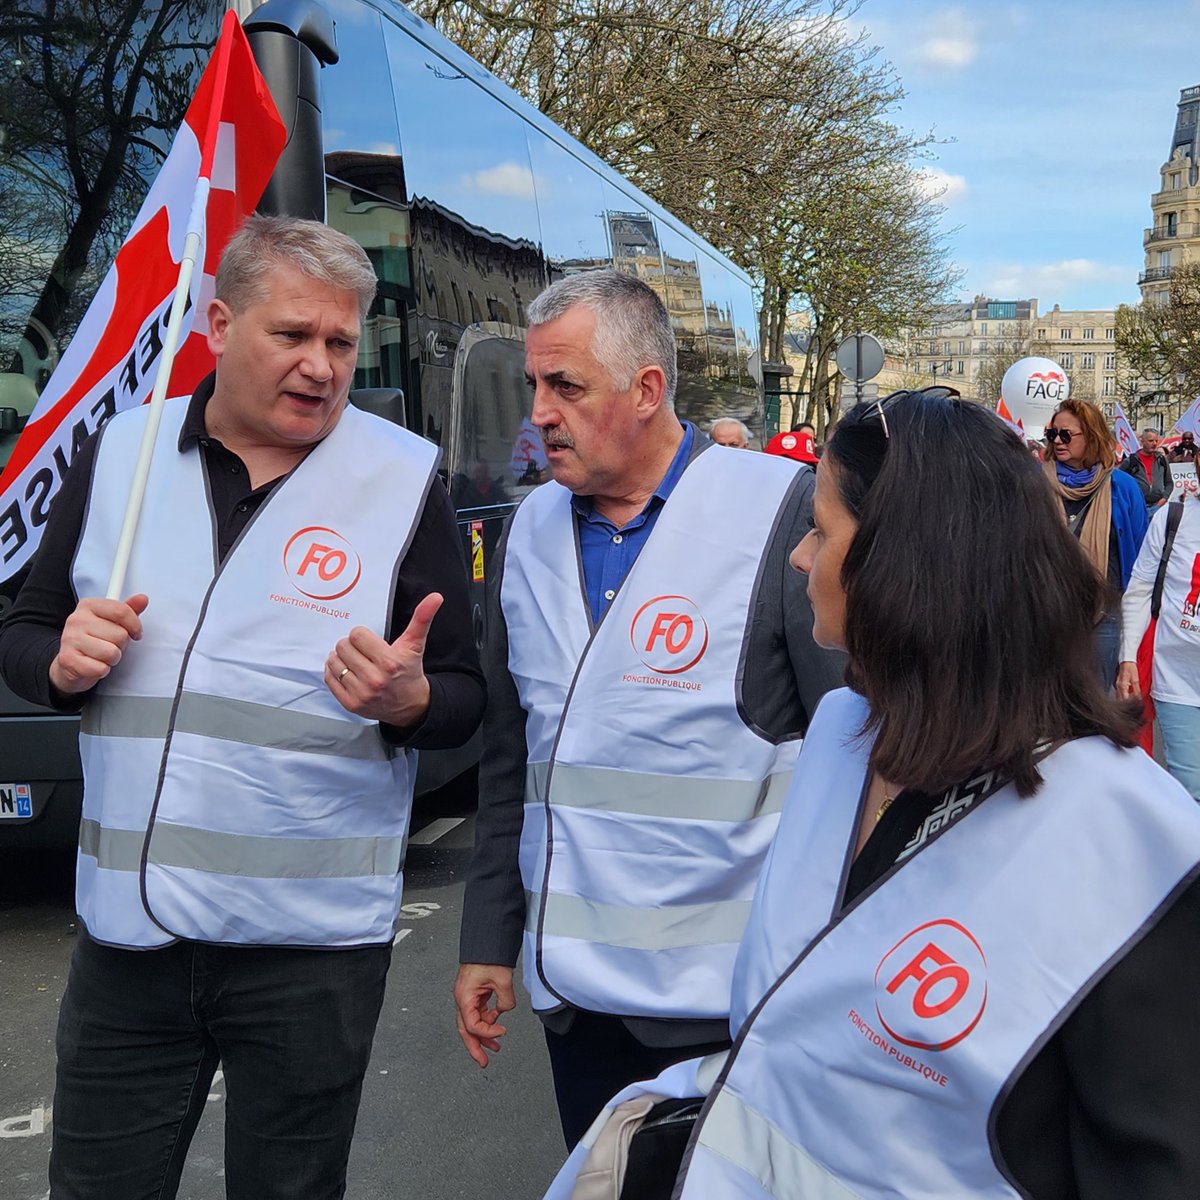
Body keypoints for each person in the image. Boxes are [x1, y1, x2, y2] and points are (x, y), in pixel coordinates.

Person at [545, 388, 1200, 1200]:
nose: (798, 556)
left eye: (821, 529)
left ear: (903, 561)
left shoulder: (1133, 838)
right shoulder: (842, 730)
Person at [0, 216, 486, 1200]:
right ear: (218, 324)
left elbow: (469, 697)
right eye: (292, 336)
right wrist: (59, 661)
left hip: (309, 949)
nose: (321, 365)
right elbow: (23, 633)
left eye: (341, 343)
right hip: (129, 943)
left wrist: (412, 698)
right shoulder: (120, 460)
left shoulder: (400, 481)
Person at [453, 270, 844, 1148]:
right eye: (534, 387)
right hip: (577, 1008)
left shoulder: (778, 512)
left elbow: (849, 751)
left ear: (648, 390)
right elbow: (513, 757)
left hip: (730, 1011)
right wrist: (488, 938)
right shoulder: (527, 533)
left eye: (566, 387)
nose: (540, 414)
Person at [1043, 398, 1148, 686]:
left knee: (1097, 702)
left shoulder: (1122, 488)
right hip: (1046, 614)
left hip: (1102, 615)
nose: (1058, 441)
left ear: (1091, 436)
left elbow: (1139, 558)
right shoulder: (1035, 484)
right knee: (1046, 703)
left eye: (1066, 434)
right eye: (1053, 434)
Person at [1118, 490, 1200, 800]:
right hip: (1178, 680)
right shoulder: (1174, 517)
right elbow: (1139, 589)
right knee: (1191, 792)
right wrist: (1127, 658)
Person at [1120, 425, 1175, 507]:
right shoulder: (1130, 461)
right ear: (1143, 441)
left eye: (1156, 441)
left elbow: (1169, 483)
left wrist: (1164, 498)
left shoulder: (1162, 460)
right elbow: (1120, 483)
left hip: (1158, 506)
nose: (1154, 443)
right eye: (1151, 441)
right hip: (1137, 507)